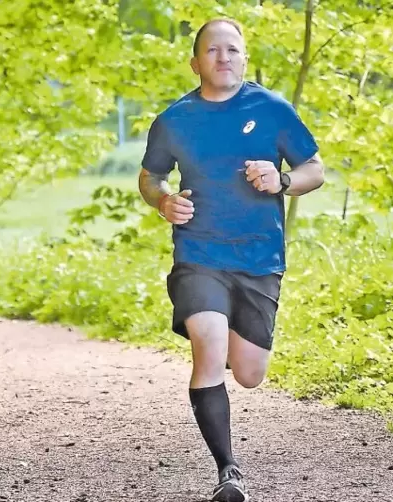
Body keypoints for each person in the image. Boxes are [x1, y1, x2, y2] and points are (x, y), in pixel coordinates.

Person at [138, 17, 325, 502]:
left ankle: (230, 356)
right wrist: (163, 201)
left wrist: (282, 181)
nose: (224, 58)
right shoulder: (174, 119)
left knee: (248, 372)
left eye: (233, 50)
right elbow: (150, 177)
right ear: (195, 61)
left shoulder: (271, 109)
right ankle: (228, 472)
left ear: (244, 58)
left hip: (260, 259)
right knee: (209, 343)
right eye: (214, 50)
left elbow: (314, 169)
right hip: (199, 254)